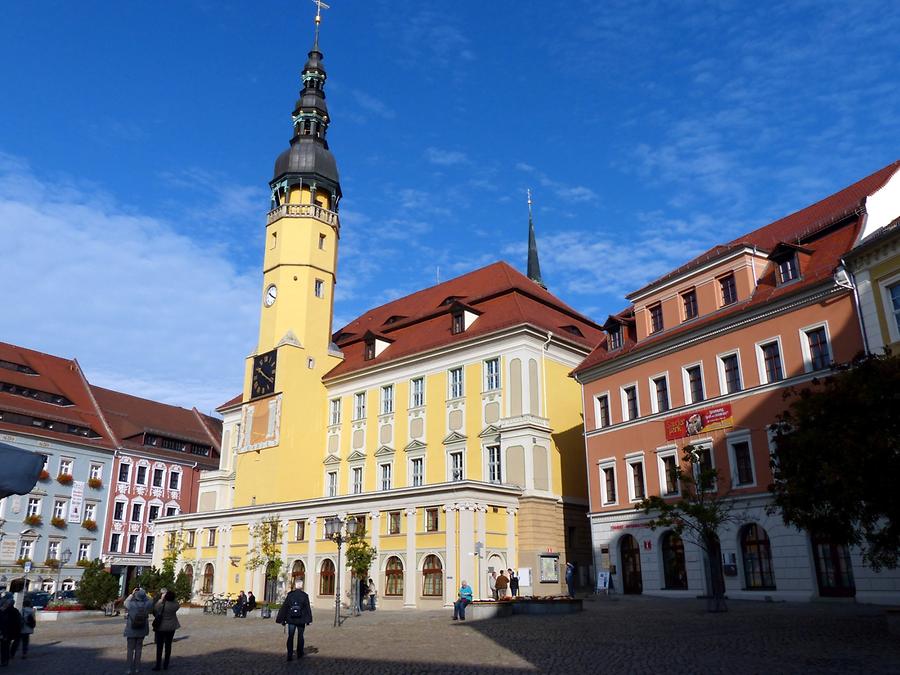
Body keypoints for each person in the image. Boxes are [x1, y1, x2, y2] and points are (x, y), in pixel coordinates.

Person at [276, 580, 312, 662]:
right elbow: (307, 608)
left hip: (291, 619)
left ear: (295, 586)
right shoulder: (304, 595)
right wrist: (308, 620)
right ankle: (300, 653)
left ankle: (289, 655)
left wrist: (282, 619)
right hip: (301, 619)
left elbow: (285, 607)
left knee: (290, 636)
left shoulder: (290, 595)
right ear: (301, 586)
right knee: (300, 636)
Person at [123, 587, 154, 675]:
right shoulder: (147, 604)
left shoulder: (131, 605)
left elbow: (125, 602)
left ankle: (129, 669)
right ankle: (137, 668)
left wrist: (132, 593)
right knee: (139, 649)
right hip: (142, 629)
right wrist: (144, 593)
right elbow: (151, 600)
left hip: (131, 629)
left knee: (130, 650)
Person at [151, 589, 180, 671]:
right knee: (168, 646)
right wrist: (173, 598)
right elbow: (178, 604)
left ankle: (158, 665)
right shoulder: (175, 606)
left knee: (159, 647)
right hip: (171, 628)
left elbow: (155, 608)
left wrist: (162, 599)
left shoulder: (161, 605)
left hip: (161, 628)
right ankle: (166, 664)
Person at [0, 593, 22, 667]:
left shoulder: (5, 612)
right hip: (9, 632)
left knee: (4, 646)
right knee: (5, 646)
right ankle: (5, 660)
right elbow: (18, 622)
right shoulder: (15, 611)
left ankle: (5, 660)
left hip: (6, 631)